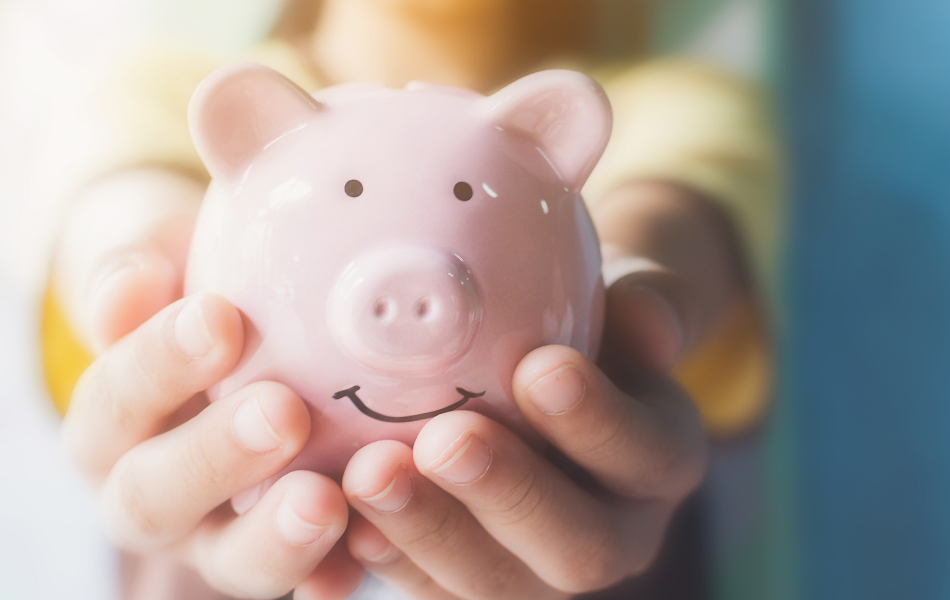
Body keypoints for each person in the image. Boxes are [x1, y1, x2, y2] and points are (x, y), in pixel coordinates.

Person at [41, 0, 782, 597]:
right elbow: (122, 179)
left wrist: (621, 280)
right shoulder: (171, 86)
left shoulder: (670, 101)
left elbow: (673, 202)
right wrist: (133, 263)